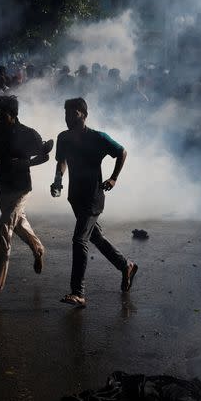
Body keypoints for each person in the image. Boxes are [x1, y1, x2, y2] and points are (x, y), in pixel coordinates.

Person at [51, 98, 138, 307]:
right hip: (75, 196)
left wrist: (114, 177)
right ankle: (126, 266)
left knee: (79, 240)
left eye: (74, 114)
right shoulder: (63, 138)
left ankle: (78, 293)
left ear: (84, 115)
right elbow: (61, 161)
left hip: (93, 197)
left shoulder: (97, 137)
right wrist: (57, 181)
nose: (69, 118)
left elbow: (122, 152)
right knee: (96, 237)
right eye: (66, 114)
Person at [0, 95, 53, 294]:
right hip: (1, 187)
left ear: (12, 114)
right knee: (18, 223)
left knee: (3, 229)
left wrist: (25, 163)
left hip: (21, 188)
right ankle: (38, 250)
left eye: (1, 114)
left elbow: (44, 155)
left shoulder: (28, 134)